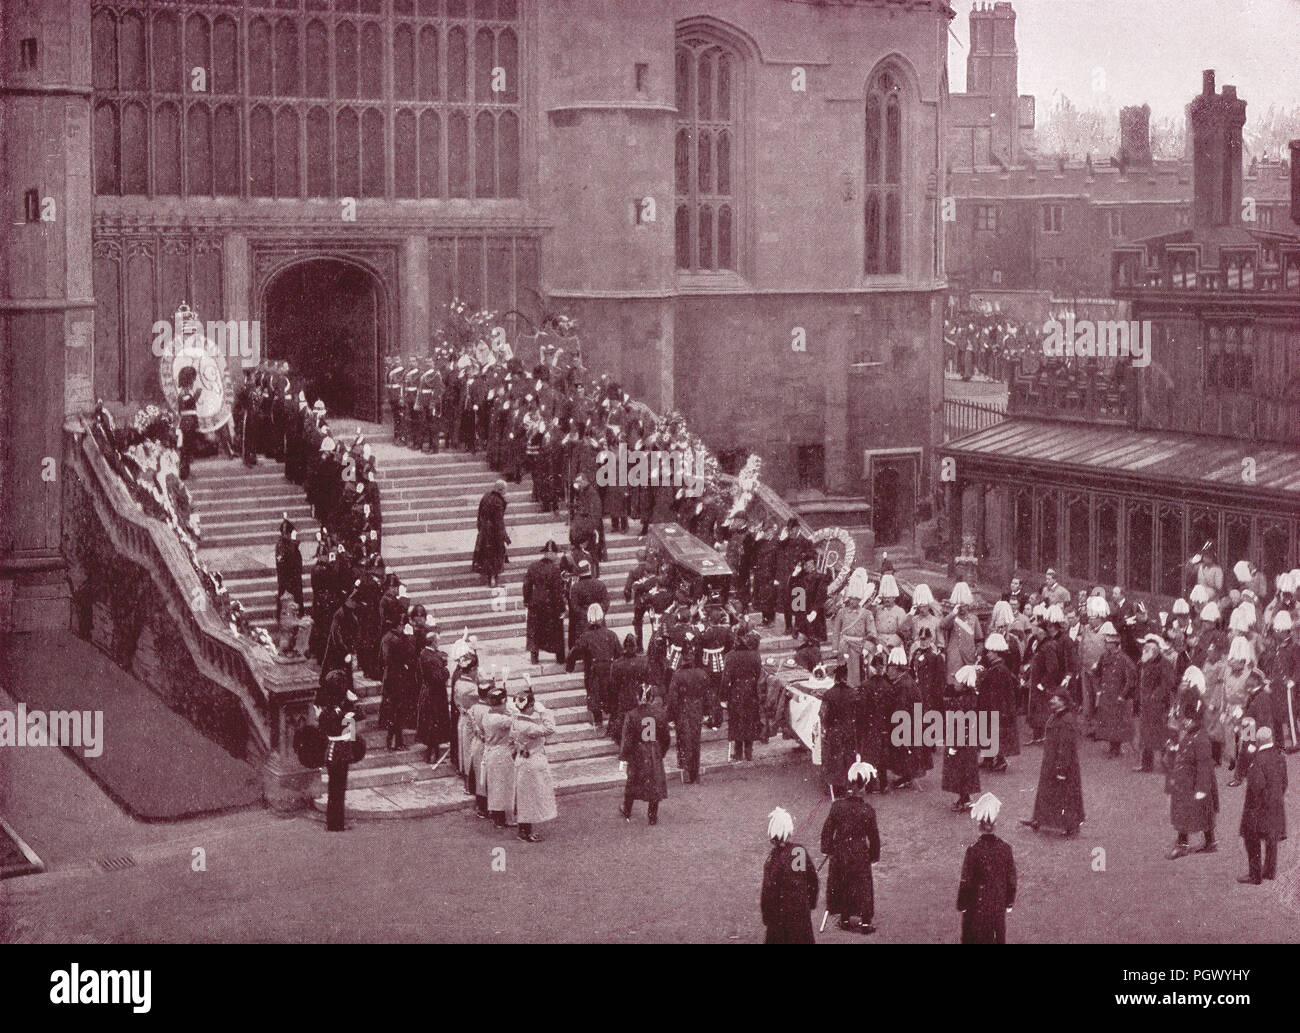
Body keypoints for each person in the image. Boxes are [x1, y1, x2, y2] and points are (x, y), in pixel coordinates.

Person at [820, 758, 882, 934]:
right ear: (864, 786)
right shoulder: (867, 810)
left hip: (840, 851)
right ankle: (865, 922)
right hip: (859, 852)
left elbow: (826, 831)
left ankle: (845, 918)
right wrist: (874, 856)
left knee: (843, 883)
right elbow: (874, 837)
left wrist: (828, 849)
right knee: (862, 885)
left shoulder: (837, 806)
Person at [1022, 688, 1084, 837]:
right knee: (1047, 792)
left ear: (1062, 702)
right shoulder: (1056, 716)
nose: (1052, 701)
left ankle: (1071, 826)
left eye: (1055, 699)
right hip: (1051, 762)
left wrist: (1061, 769)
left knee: (1065, 795)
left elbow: (1065, 746)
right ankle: (1040, 819)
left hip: (1061, 764)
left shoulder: (1066, 720)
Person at [957, 793, 1017, 944]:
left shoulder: (973, 850)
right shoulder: (1005, 849)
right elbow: (1011, 879)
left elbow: (966, 881)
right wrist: (1009, 901)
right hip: (997, 905)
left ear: (979, 826)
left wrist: (962, 903)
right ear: (995, 825)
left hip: (976, 906)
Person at [1165, 708, 1219, 859]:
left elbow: (1203, 766)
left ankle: (1183, 845)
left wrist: (1201, 789)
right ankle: (1210, 842)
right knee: (1202, 812)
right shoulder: (1191, 735)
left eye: (1188, 721)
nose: (1184, 723)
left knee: (1186, 813)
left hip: (1194, 782)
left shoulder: (1200, 738)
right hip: (1186, 781)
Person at [761, 807, 819, 944]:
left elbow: (768, 891)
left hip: (779, 918)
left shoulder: (772, 859)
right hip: (801, 914)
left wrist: (766, 915)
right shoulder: (799, 850)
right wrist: (809, 904)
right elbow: (813, 881)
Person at [1238, 726, 1287, 883]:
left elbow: (1256, 786)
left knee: (1251, 839)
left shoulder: (1258, 760)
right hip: (1276, 804)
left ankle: (1255, 874)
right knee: (1271, 838)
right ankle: (1270, 871)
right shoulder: (1279, 756)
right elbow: (1284, 782)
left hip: (1259, 807)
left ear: (1259, 741)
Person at [511, 681, 557, 843]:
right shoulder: (526, 726)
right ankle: (524, 832)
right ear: (528, 707)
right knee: (529, 798)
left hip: (524, 758)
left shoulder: (516, 719)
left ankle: (525, 829)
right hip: (530, 762)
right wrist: (544, 712)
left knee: (527, 797)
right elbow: (549, 729)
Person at [619, 682, 671, 824]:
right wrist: (661, 751)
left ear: (637, 696)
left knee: (632, 781)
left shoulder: (632, 715)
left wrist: (624, 756)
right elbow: (666, 737)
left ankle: (627, 809)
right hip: (654, 750)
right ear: (651, 697)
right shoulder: (660, 714)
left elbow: (627, 739)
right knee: (655, 782)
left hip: (638, 751)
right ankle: (652, 815)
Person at [566, 603, 621, 732]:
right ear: (602, 618)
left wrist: (570, 667)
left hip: (593, 670)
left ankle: (598, 722)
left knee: (594, 694)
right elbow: (619, 652)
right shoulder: (611, 634)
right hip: (609, 669)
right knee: (610, 694)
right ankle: (612, 724)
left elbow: (574, 652)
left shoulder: (586, 636)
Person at [1094, 621, 1137, 758]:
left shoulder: (1124, 659)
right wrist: (1099, 686)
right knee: (1108, 721)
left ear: (1114, 644)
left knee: (1116, 722)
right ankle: (1112, 746)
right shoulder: (1104, 657)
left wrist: (1123, 695)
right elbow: (1098, 672)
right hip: (1107, 693)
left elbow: (1130, 679)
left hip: (1117, 694)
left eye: (1108, 642)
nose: (1106, 644)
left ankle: (1116, 748)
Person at [1135, 633, 1177, 773]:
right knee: (1146, 734)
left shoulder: (1165, 663)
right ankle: (1146, 764)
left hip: (1159, 705)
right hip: (1146, 704)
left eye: (1149, 649)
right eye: (1145, 648)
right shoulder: (1144, 663)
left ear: (1156, 650)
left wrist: (1155, 696)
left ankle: (1168, 764)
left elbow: (1168, 683)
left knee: (1162, 734)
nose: (1145, 651)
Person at [667, 646, 710, 784]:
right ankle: (695, 773)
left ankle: (686, 771)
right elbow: (708, 694)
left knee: (683, 740)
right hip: (696, 709)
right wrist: (706, 711)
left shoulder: (677, 675)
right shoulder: (701, 673)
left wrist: (670, 716)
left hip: (682, 710)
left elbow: (672, 697)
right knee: (695, 740)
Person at [523, 540, 566, 665]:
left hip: (535, 603)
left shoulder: (533, 566)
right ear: (551, 553)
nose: (556, 556)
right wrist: (562, 608)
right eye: (555, 554)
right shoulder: (555, 569)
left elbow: (526, 586)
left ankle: (534, 657)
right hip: (551, 604)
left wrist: (527, 600)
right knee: (556, 631)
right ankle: (560, 658)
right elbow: (558, 591)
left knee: (535, 630)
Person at [722, 630, 763, 762]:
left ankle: (738, 752)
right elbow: (759, 674)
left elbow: (725, 679)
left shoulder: (730, 656)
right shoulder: (755, 655)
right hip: (751, 692)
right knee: (750, 720)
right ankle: (749, 752)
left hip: (736, 692)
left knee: (737, 721)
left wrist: (723, 697)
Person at [481, 685, 517, 829]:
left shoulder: (487, 715)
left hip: (491, 752)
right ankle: (505, 818)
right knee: (506, 786)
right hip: (502, 752)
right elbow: (516, 720)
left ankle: (497, 817)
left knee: (495, 786)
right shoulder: (500, 720)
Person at [415, 620, 451, 765]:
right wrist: (446, 670)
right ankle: (431, 755)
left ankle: (433, 754)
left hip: (432, 693)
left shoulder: (427, 654)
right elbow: (439, 676)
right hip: (433, 695)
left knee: (434, 726)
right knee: (433, 725)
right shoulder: (429, 657)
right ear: (433, 642)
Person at [379, 621, 418, 751]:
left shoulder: (387, 637)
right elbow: (410, 652)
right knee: (396, 713)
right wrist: (410, 637)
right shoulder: (397, 639)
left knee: (394, 713)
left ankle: (393, 743)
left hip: (390, 679)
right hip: (397, 681)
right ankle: (395, 743)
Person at [471, 479, 510, 587]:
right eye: (505, 490)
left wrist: (481, 528)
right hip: (494, 534)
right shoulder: (498, 502)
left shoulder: (485, 496)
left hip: (485, 532)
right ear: (501, 490)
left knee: (486, 555)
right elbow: (499, 522)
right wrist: (505, 536)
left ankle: (488, 576)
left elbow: (479, 515)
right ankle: (493, 579)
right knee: (495, 556)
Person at [176, 365, 201, 480]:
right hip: (187, 423)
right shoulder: (184, 393)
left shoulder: (186, 392)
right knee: (186, 448)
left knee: (188, 448)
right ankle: (184, 472)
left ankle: (186, 471)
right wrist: (196, 396)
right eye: (192, 380)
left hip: (189, 422)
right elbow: (188, 405)